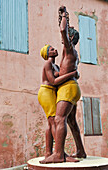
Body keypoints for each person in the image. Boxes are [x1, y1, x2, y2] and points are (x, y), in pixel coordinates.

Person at [40, 6, 86, 164]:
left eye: (68, 34)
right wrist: (73, 74)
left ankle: (58, 154)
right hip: (72, 87)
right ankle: (81, 150)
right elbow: (63, 72)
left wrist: (64, 16)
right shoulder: (73, 54)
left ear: (70, 38)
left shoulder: (69, 48)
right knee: (71, 121)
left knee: (59, 119)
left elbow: (62, 31)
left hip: (67, 88)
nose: (64, 37)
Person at [38, 44, 79, 161]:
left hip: (52, 92)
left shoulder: (55, 66)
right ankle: (60, 153)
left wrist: (75, 74)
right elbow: (54, 81)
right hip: (46, 92)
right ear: (47, 54)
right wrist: (72, 74)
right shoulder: (48, 64)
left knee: (51, 122)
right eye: (51, 49)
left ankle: (49, 152)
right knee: (53, 121)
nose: (55, 50)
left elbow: (62, 75)